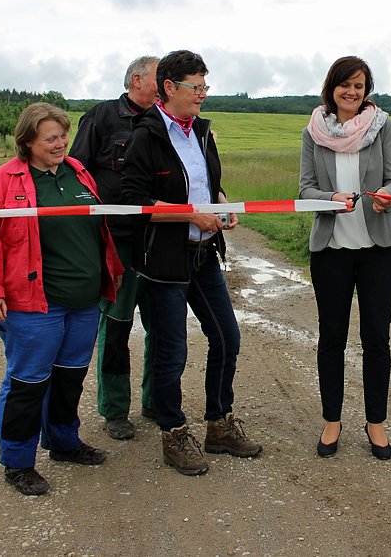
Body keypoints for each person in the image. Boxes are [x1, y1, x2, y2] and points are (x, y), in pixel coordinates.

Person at [0, 103, 124, 495]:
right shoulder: (2, 182)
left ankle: (63, 442)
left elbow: (98, 229)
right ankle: (18, 463)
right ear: (27, 142)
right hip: (34, 305)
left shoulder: (78, 172)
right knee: (28, 383)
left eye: (62, 136)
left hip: (84, 301)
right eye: (50, 139)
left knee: (70, 379)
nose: (60, 144)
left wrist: (112, 270)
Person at [121, 49, 261, 476]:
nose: (202, 94)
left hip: (203, 255)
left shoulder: (201, 132)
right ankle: (173, 432)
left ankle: (219, 424)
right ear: (169, 87)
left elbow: (208, 184)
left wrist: (223, 204)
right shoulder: (145, 136)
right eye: (195, 87)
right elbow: (133, 202)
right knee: (172, 351)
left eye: (205, 86)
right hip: (164, 260)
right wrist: (189, 215)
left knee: (227, 338)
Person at [299, 56, 391, 461]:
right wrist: (330, 198)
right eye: (345, 84)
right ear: (332, 88)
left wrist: (387, 195)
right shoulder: (312, 132)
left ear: (366, 91)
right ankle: (332, 420)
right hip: (331, 252)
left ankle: (375, 422)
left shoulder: (383, 126)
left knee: (377, 338)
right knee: (332, 338)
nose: (352, 92)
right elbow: (305, 190)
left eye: (359, 86)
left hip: (378, 250)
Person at [69, 55, 160, 440]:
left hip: (160, 241)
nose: (166, 84)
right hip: (117, 242)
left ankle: (157, 400)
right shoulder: (101, 117)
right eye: (159, 77)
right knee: (118, 326)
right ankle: (114, 409)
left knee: (162, 326)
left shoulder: (166, 120)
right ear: (137, 80)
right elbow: (76, 173)